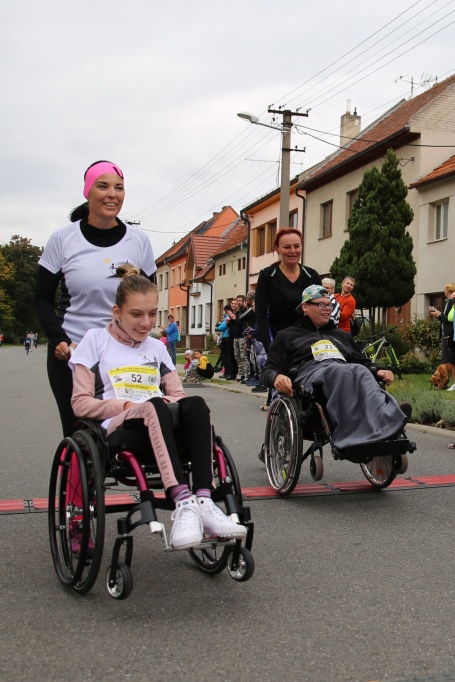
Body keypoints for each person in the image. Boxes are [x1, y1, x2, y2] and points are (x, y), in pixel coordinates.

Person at [69, 263, 246, 550]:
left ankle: (203, 500)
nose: (146, 323)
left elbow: (177, 394)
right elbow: (79, 403)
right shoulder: (95, 341)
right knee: (153, 406)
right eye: (136, 314)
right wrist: (125, 405)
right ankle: (182, 501)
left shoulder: (157, 347)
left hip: (161, 421)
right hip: (122, 428)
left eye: (152, 314)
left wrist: (167, 401)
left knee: (196, 403)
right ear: (117, 312)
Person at [34, 160, 157, 437]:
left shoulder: (138, 241)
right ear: (88, 191)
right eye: (103, 186)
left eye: (119, 188)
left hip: (125, 353)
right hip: (73, 352)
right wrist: (58, 340)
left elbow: (149, 300)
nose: (112, 194)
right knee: (79, 435)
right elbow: (41, 297)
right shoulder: (63, 238)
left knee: (129, 434)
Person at [262, 285, 410, 451]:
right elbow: (268, 370)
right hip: (311, 376)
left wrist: (377, 370)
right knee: (339, 371)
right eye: (321, 304)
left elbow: (361, 361)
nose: (327, 309)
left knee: (361, 371)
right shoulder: (287, 335)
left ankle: (389, 419)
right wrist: (277, 377)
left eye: (329, 305)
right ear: (305, 307)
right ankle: (349, 435)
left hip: (342, 369)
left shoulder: (341, 335)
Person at [255, 227, 321, 410]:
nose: (292, 251)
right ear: (277, 249)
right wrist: (268, 345)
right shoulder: (267, 276)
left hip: (305, 338)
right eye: (287, 247)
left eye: (296, 246)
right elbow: (261, 313)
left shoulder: (311, 275)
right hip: (278, 338)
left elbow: (321, 308)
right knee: (283, 385)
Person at [429, 283, 455, 366]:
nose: (444, 291)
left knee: (450, 358)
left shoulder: (452, 302)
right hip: (444, 333)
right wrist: (438, 315)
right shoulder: (446, 301)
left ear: (448, 290)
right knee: (444, 358)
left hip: (449, 334)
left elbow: (450, 318)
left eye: (444, 289)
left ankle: (448, 372)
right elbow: (445, 318)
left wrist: (439, 315)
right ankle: (444, 373)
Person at [215, 304, 237, 380]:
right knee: (226, 356)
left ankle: (228, 373)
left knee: (226, 356)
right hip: (227, 337)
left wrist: (217, 327)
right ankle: (227, 372)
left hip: (226, 338)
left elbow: (222, 327)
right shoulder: (230, 316)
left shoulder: (228, 317)